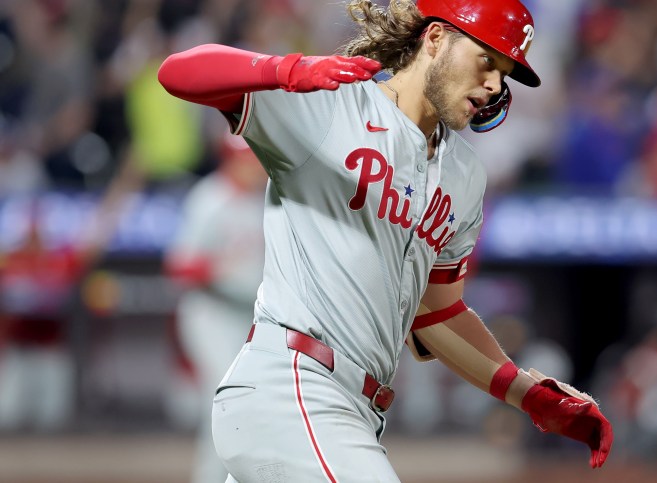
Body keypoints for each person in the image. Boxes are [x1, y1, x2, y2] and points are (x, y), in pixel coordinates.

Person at [158, 1, 613, 481]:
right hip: (293, 387)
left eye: (504, 73)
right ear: (436, 38)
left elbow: (435, 315)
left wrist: (526, 393)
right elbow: (179, 72)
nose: (496, 84)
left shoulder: (465, 175)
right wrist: (286, 70)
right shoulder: (332, 105)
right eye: (487, 60)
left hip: (354, 410)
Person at [165, 132, 268, 483]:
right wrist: (219, 267)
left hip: (255, 317)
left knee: (255, 404)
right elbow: (179, 266)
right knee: (226, 401)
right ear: (230, 159)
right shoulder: (209, 199)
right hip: (211, 311)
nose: (254, 165)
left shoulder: (270, 198)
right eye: (246, 158)